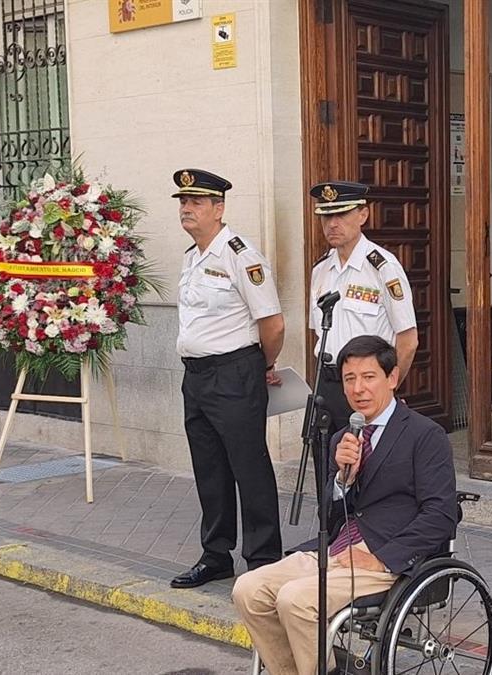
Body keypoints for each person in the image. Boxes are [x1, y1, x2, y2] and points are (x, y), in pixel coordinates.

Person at [232, 335, 455, 675]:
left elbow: (442, 515)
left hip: (384, 559)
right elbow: (329, 516)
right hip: (336, 549)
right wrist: (341, 481)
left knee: (295, 599)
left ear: (392, 378)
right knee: (248, 589)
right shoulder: (342, 438)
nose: (358, 389)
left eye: (369, 377)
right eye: (350, 379)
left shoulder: (425, 435)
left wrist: (381, 558)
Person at [172, 168, 285, 589]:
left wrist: (263, 365)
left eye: (197, 202)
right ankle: (216, 554)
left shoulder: (241, 255)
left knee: (248, 466)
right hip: (197, 376)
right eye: (183, 202)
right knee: (210, 467)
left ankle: (263, 559)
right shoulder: (192, 256)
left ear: (219, 209)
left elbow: (272, 323)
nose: (187, 209)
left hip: (235, 373)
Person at [308, 180, 416, 490]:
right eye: (326, 217)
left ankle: (364, 534)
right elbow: (319, 334)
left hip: (367, 386)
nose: (333, 224)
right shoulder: (321, 270)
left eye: (341, 215)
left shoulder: (382, 268)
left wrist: (387, 385)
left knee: (368, 468)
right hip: (328, 384)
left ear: (363, 215)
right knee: (328, 471)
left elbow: (407, 339)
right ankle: (330, 533)